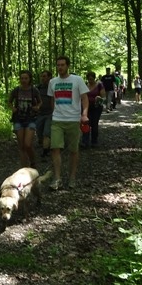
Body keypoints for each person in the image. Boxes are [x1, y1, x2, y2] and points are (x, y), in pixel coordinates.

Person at [47, 56, 89, 190]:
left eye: (62, 65)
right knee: (55, 148)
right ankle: (57, 178)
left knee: (73, 150)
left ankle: (72, 177)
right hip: (57, 120)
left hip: (73, 120)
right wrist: (55, 113)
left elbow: (84, 98)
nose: (60, 67)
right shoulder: (52, 82)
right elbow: (52, 100)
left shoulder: (77, 80)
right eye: (58, 65)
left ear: (68, 66)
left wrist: (84, 114)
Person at [8, 70, 41, 168]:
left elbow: (40, 102)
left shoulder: (34, 90)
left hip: (31, 119)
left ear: (30, 79)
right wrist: (12, 108)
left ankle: (33, 161)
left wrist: (37, 107)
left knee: (27, 144)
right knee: (21, 146)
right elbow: (9, 101)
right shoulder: (16, 90)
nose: (23, 80)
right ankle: (24, 169)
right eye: (22, 78)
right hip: (18, 119)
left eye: (26, 78)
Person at [82, 71, 105, 147]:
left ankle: (94, 141)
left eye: (91, 79)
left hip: (97, 107)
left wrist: (99, 97)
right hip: (87, 107)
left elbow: (103, 97)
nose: (90, 81)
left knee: (94, 123)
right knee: (86, 123)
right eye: (89, 79)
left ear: (94, 78)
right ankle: (85, 141)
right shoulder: (85, 85)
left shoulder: (99, 85)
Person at [36, 70, 53, 158]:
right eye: (42, 76)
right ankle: (44, 145)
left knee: (46, 132)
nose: (43, 78)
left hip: (50, 113)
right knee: (39, 132)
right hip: (40, 114)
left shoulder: (53, 87)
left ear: (49, 77)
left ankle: (45, 151)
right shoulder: (38, 88)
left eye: (45, 76)